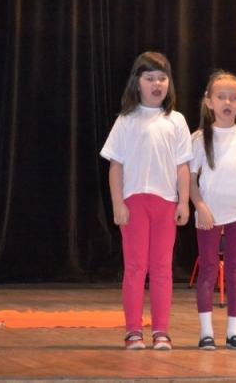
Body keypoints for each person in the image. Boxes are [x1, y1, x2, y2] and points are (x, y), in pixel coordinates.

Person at [100, 51, 192, 351]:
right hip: (134, 203)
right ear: (137, 82)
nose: (157, 84)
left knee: (162, 268)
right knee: (136, 267)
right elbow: (116, 166)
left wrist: (183, 202)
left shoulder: (176, 121)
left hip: (166, 203)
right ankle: (133, 331)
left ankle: (161, 331)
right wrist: (118, 204)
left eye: (162, 78)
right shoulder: (126, 120)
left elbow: (182, 166)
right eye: (150, 78)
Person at [189, 71, 236, 351]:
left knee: (234, 270)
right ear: (209, 102)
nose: (227, 102)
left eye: (233, 98)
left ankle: (233, 332)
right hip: (209, 214)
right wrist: (200, 206)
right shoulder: (199, 138)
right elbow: (190, 179)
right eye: (221, 97)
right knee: (209, 269)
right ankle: (206, 332)